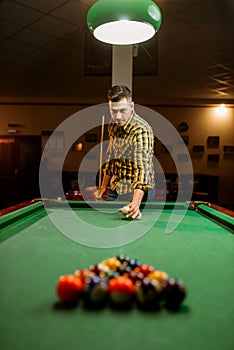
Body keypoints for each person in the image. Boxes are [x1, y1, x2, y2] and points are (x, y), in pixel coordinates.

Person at [96, 85, 155, 220]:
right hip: (119, 186)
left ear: (132, 106)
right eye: (113, 111)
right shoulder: (113, 124)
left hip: (140, 192)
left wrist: (135, 203)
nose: (118, 116)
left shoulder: (141, 130)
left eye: (122, 110)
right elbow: (111, 157)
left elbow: (142, 169)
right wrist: (103, 186)